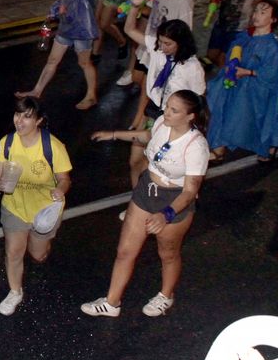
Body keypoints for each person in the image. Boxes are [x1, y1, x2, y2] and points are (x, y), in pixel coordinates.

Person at [84, 90, 208, 318]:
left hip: (173, 201)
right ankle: (111, 303)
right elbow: (147, 136)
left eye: (174, 110)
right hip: (146, 190)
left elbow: (190, 191)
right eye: (167, 106)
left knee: (168, 254)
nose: (166, 112)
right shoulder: (161, 122)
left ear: (190, 116)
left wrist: (166, 214)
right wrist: (113, 134)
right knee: (125, 251)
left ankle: (166, 295)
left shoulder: (195, 146)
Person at [0, 97, 72, 316]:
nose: (19, 121)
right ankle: (15, 291)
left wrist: (60, 190)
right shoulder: (7, 142)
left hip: (44, 210)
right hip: (14, 206)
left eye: (27, 117)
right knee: (14, 251)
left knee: (38, 255)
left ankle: (43, 247)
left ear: (39, 121)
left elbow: (64, 179)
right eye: (17, 115)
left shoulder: (53, 147)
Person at [117, 16, 205, 190]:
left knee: (150, 165)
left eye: (168, 44)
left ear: (181, 43)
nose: (162, 47)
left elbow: (198, 99)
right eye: (160, 42)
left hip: (170, 120)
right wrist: (134, 6)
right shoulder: (157, 49)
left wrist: (190, 128)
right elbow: (129, 30)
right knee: (134, 161)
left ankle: (145, 200)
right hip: (152, 111)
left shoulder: (192, 67)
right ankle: (137, 196)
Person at [18, 0, 100, 109]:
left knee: (84, 62)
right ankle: (37, 90)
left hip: (82, 26)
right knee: (53, 59)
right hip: (67, 22)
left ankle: (91, 95)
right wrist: (55, 9)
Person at [207, 0, 278, 162]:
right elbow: (232, 54)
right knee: (224, 111)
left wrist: (249, 72)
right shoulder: (244, 36)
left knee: (256, 119)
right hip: (236, 85)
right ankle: (219, 147)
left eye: (263, 13)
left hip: (256, 91)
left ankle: (267, 146)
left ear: (273, 19)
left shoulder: (272, 46)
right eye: (256, 11)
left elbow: (272, 74)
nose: (256, 15)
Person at [121, 0, 195, 89]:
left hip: (163, 49)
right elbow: (152, 10)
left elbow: (185, 33)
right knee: (137, 77)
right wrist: (135, 7)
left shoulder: (185, 2)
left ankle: (145, 102)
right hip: (150, 40)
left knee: (148, 85)